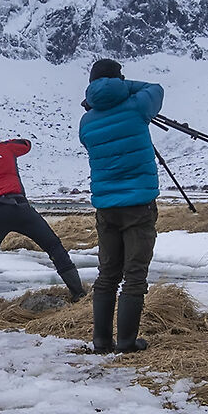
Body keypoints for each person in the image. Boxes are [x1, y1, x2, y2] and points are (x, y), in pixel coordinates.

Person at [76, 58, 163, 353]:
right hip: (138, 204)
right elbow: (156, 89)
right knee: (135, 274)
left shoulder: (86, 123)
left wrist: (96, 98)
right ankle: (126, 341)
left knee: (108, 274)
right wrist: (124, 88)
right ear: (119, 79)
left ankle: (101, 341)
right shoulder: (137, 106)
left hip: (106, 207)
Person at [0, 134, 86, 313]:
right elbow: (26, 145)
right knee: (53, 246)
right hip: (18, 206)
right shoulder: (5, 148)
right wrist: (2, 146)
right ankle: (78, 293)